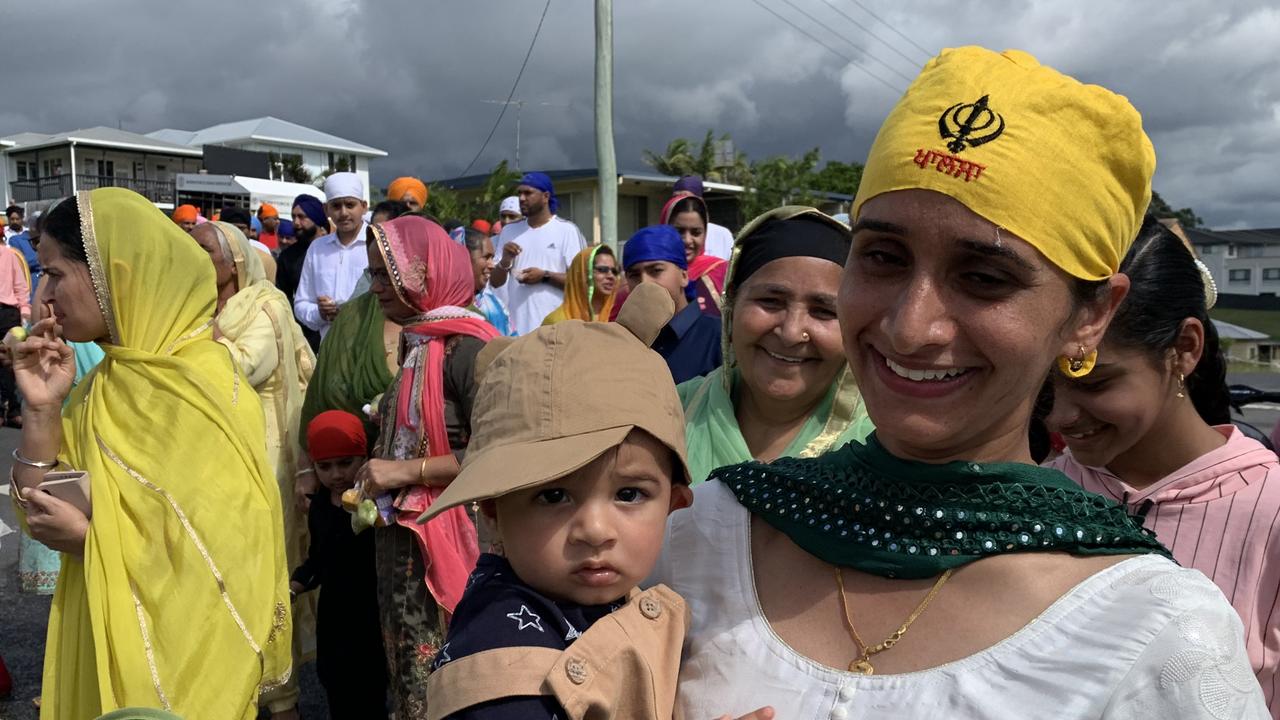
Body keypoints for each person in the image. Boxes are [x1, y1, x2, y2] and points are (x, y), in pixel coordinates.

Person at [650, 47, 1267, 719]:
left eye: (984, 277)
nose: (911, 328)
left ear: (1091, 315)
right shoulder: (700, 536)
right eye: (883, 257)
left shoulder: (1156, 635)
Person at [9, 188, 291, 719]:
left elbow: (225, 564)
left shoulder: (203, 386)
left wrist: (91, 542)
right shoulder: (103, 384)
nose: (42, 296)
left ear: (114, 272)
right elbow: (34, 509)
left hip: (189, 668)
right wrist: (43, 409)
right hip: (101, 630)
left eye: (55, 273)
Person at [419, 282, 693, 719]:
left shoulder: (594, 600)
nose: (595, 531)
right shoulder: (508, 680)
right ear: (493, 509)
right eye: (553, 495)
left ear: (674, 503)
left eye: (629, 494)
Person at [1047, 217, 1280, 714]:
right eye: (1045, 384)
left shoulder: (1271, 510)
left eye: (1094, 383)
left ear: (1185, 349)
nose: (1060, 415)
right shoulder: (1036, 492)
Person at [353, 214, 498, 718]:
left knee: (446, 671)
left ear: (424, 272)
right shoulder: (420, 343)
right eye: (372, 274)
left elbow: (496, 453)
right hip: (407, 541)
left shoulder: (469, 350)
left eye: (383, 274)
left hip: (450, 538)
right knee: (410, 672)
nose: (375, 288)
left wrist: (402, 473)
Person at [192, 220, 319, 718]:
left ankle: (279, 694)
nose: (194, 257)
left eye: (203, 250)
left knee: (265, 570)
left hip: (263, 453)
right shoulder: (200, 307)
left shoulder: (265, 304)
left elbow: (244, 367)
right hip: (214, 453)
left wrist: (203, 339)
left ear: (234, 261)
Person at [678, 206, 874, 483]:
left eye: (823, 311)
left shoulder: (881, 445)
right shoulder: (671, 413)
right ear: (731, 302)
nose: (791, 333)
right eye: (770, 301)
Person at [291, 410, 389, 719]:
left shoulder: (377, 502)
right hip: (335, 619)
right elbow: (319, 558)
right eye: (325, 466)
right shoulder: (319, 505)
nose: (336, 474)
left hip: (373, 617)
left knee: (372, 697)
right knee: (338, 693)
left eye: (346, 462)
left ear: (364, 456)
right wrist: (296, 584)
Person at [623, 225, 721, 384]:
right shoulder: (628, 341)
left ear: (684, 276)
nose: (644, 283)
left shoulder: (719, 337)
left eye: (656, 270)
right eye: (634, 275)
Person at [490, 172, 586, 335]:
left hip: (555, 332)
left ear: (545, 196)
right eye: (520, 193)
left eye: (528, 193)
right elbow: (495, 282)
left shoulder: (566, 231)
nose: (521, 198)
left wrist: (544, 276)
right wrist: (505, 261)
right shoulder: (509, 231)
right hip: (517, 333)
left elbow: (580, 282)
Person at [295, 172, 369, 339]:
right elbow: (301, 304)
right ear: (326, 209)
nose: (343, 213)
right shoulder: (317, 248)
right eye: (336, 206)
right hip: (330, 348)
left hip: (369, 344)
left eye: (350, 205)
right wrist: (320, 313)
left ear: (364, 207)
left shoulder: (376, 244)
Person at [662, 193, 727, 316]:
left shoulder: (720, 271)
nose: (687, 240)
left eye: (696, 233)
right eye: (679, 231)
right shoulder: (647, 271)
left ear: (705, 233)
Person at [278, 193, 328, 350]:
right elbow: (282, 295)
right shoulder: (288, 256)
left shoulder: (331, 249)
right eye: (293, 217)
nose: (296, 223)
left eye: (302, 217)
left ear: (316, 218)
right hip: (302, 335)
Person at [542, 244, 618, 325]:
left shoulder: (618, 317)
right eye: (602, 269)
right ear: (583, 273)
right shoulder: (556, 322)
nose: (611, 276)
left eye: (614, 271)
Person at [0, 235, 30, 425]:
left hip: (8, 312)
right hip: (8, 313)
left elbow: (21, 286)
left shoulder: (10, 255)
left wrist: (25, 313)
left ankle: (13, 409)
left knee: (9, 362)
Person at [465, 227, 515, 337]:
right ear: (464, 256)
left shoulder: (495, 304)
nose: (492, 265)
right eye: (486, 257)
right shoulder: (443, 305)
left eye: (492, 258)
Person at [671, 175, 733, 260]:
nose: (687, 240)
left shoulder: (722, 235)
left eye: (696, 232)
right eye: (676, 198)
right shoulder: (661, 236)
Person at [8, 209, 42, 301]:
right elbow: (21, 262)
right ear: (32, 226)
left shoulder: (48, 239)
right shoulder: (16, 240)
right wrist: (44, 258)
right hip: (31, 287)